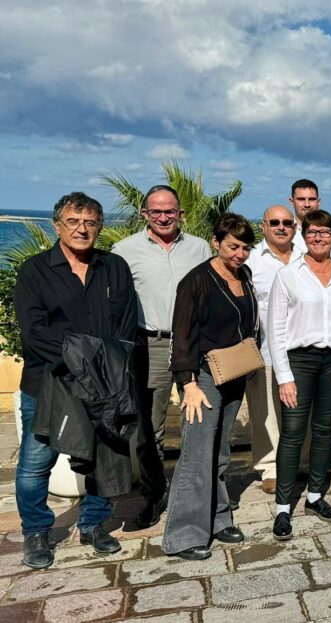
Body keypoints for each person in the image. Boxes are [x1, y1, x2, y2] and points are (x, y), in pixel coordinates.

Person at [14, 192, 139, 569]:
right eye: (73, 221)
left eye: (90, 222)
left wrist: (103, 364)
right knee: (36, 463)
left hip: (102, 384)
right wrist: (86, 354)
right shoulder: (35, 270)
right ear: (57, 226)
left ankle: (93, 525)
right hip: (49, 381)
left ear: (100, 227)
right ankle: (37, 530)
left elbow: (126, 325)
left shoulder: (114, 267)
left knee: (102, 457)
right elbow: (34, 331)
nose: (81, 229)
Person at [111, 185, 209, 527]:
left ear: (180, 213)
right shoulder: (124, 251)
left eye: (170, 211)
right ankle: (154, 494)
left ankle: (191, 489)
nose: (164, 217)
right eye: (156, 211)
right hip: (149, 344)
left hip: (192, 346)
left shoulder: (200, 248)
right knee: (149, 427)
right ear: (145, 215)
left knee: (196, 420)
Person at [163, 213, 258, 560]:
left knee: (219, 453)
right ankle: (184, 535)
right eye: (233, 246)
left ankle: (218, 519)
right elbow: (182, 336)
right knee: (196, 456)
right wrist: (187, 384)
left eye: (246, 248)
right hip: (202, 378)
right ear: (216, 242)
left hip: (233, 372)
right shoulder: (196, 281)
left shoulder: (243, 275)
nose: (240, 254)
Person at [267, 210, 331, 538]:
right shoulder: (288, 275)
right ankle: (283, 508)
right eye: (312, 232)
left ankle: (314, 496)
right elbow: (276, 328)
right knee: (293, 432)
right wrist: (284, 376)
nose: (319, 237)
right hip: (299, 361)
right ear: (303, 236)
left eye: (325, 232)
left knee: (325, 431)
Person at [243, 205, 305, 495]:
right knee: (265, 413)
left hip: (302, 350)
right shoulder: (252, 260)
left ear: (295, 226)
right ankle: (271, 467)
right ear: (263, 226)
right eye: (275, 222)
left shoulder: (306, 257)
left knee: (301, 409)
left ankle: (300, 463)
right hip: (265, 350)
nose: (282, 227)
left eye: (287, 223)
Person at [290, 179, 331, 265]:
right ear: (292, 202)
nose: (307, 204)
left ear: (318, 202)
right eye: (301, 199)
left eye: (311, 199)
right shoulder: (286, 233)